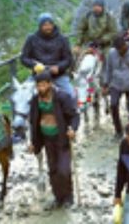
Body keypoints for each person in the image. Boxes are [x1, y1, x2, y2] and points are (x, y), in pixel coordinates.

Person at [28, 72, 79, 209]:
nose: (41, 88)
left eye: (43, 85)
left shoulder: (62, 97)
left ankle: (68, 196)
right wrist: (33, 142)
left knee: (63, 169)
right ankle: (58, 197)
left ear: (50, 84)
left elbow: (74, 115)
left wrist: (73, 129)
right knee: (53, 169)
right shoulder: (35, 100)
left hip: (61, 137)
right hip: (46, 137)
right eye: (38, 85)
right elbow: (33, 121)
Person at [22, 13, 75, 97]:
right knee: (22, 95)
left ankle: (73, 110)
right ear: (40, 26)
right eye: (45, 25)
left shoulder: (62, 39)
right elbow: (24, 58)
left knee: (71, 95)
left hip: (58, 76)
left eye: (50, 24)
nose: (48, 27)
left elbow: (68, 59)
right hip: (38, 76)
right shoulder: (31, 39)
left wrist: (58, 67)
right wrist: (34, 65)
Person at [103, 36, 129, 138]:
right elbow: (108, 68)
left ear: (125, 45)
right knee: (113, 105)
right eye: (118, 50)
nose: (120, 51)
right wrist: (105, 83)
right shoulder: (112, 53)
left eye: (121, 49)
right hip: (115, 84)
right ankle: (118, 130)